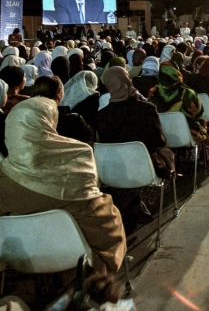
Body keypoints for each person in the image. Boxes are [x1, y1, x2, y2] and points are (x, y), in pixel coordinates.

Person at [0, 95, 126, 274]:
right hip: (81, 258)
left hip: (23, 260)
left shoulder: (3, 177)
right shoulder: (79, 156)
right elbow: (100, 217)